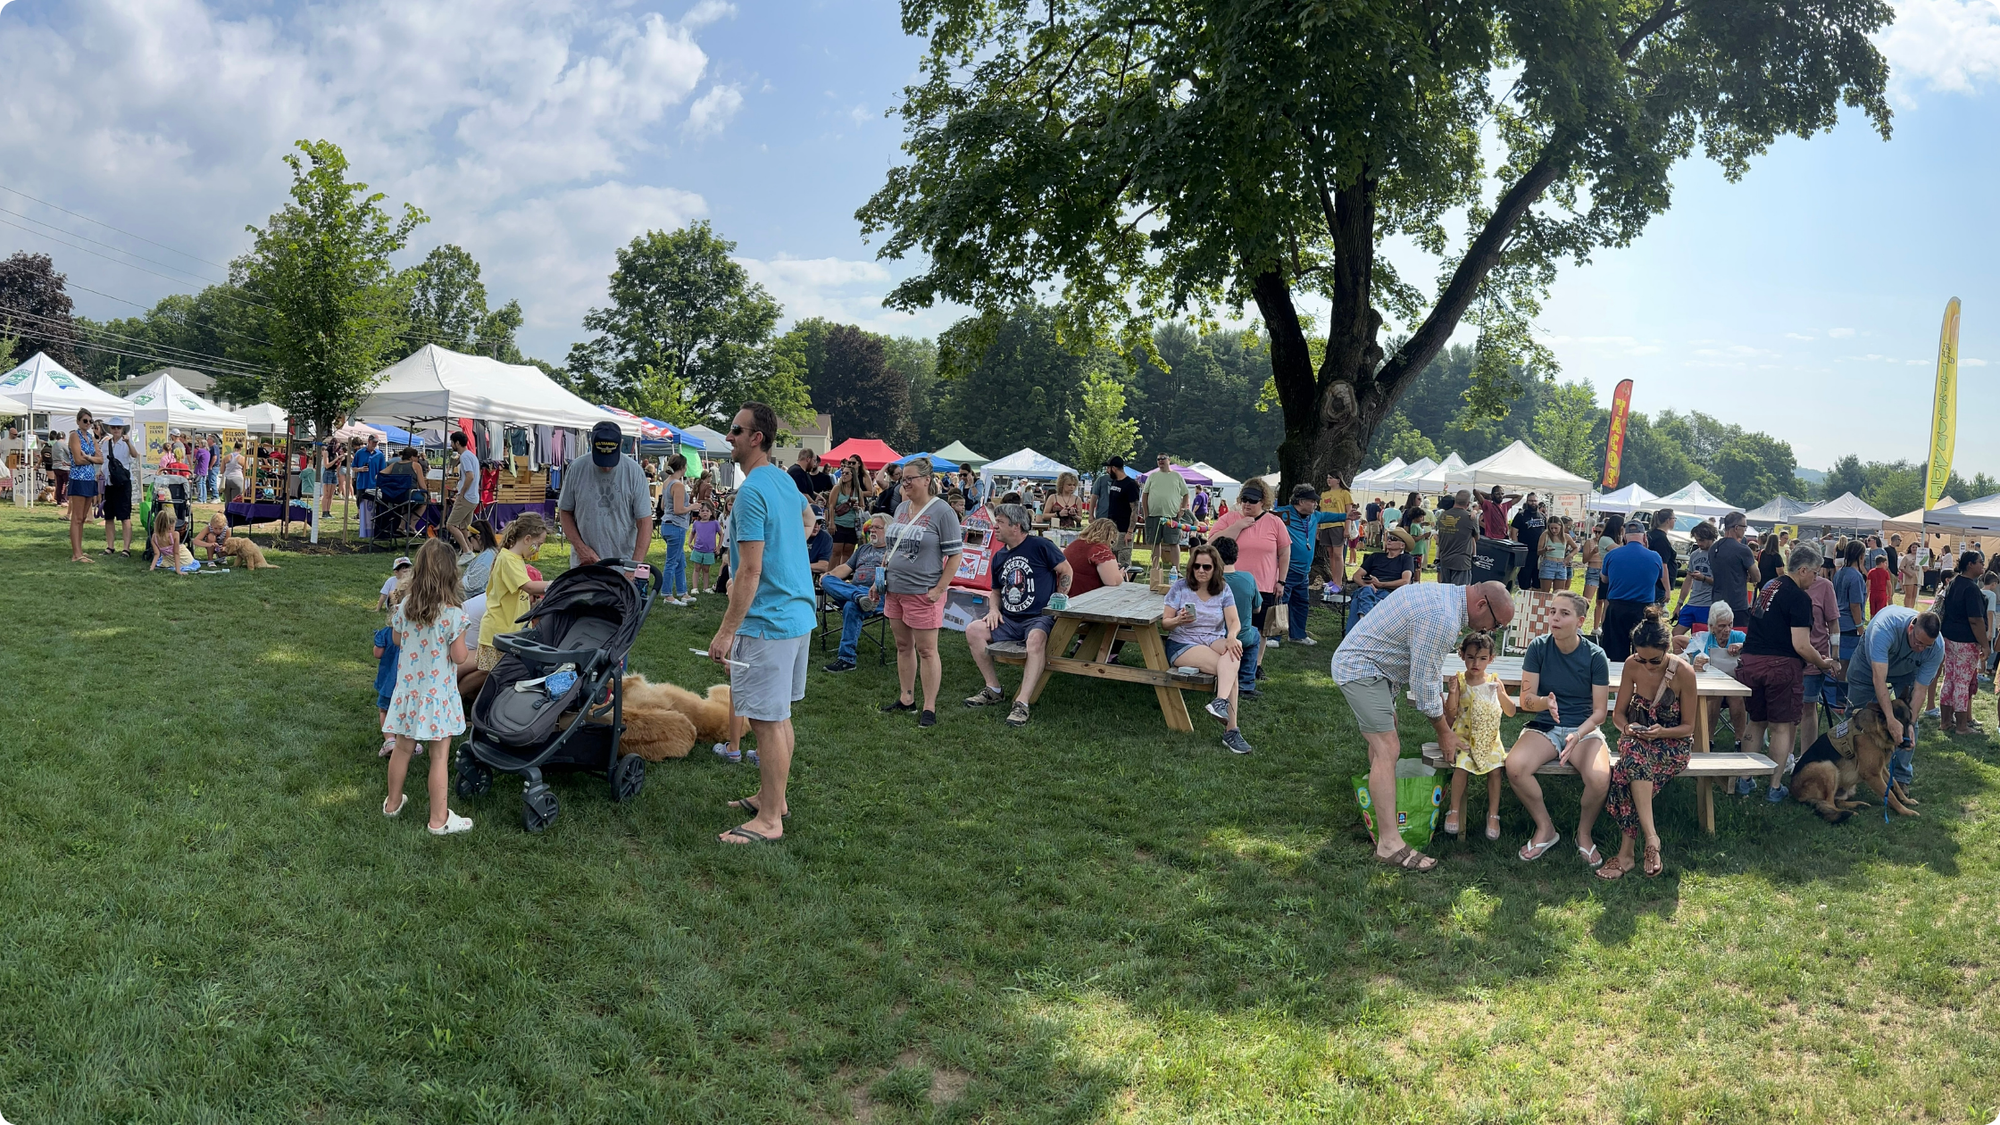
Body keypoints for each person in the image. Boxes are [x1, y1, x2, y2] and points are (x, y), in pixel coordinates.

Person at [1331, 580, 1516, 871]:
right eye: (1494, 624)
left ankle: (1383, 823)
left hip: (1377, 671)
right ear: (1482, 605)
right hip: (1361, 668)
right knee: (1387, 748)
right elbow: (1423, 682)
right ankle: (1389, 844)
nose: (1489, 632)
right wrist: (1444, 732)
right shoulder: (1442, 617)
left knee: (1382, 746)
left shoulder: (1444, 595)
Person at [708, 402, 817, 845]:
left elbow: (750, 573)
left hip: (768, 620)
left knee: (767, 721)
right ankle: (774, 799)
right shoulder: (784, 482)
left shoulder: (753, 490)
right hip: (797, 615)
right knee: (779, 716)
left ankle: (770, 820)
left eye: (736, 430)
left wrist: (725, 630)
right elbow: (807, 522)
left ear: (757, 438)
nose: (729, 436)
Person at [1502, 591, 1613, 866]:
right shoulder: (1538, 647)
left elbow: (1600, 712)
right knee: (1515, 766)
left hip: (1583, 729)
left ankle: (1583, 834)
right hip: (1544, 726)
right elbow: (1526, 701)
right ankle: (1546, 828)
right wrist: (1544, 702)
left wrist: (1579, 734)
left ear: (1580, 621)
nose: (1555, 618)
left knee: (1600, 778)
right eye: (1553, 612)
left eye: (1564, 613)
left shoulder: (1595, 656)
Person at [1593, 607, 1698, 879]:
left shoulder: (1684, 673)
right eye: (1642, 658)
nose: (1648, 665)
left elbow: (1688, 727)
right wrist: (1628, 727)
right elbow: (1617, 715)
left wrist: (1661, 732)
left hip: (1672, 745)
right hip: (1638, 740)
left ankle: (1626, 854)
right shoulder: (1632, 665)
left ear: (1668, 649)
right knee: (1632, 754)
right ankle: (1651, 842)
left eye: (1655, 660)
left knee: (1622, 776)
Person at [381, 538, 474, 836]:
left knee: (402, 749)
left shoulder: (407, 606)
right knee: (438, 757)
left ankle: (392, 804)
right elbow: (459, 656)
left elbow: (396, 640)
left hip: (408, 694)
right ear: (451, 575)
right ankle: (438, 819)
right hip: (438, 698)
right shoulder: (454, 615)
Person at [1737, 544, 1840, 799]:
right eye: (1815, 573)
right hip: (1780, 666)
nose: (1816, 578)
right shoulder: (1799, 597)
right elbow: (1802, 645)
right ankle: (1774, 787)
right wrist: (1823, 662)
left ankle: (1744, 780)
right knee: (1781, 728)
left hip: (1751, 661)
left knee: (1756, 721)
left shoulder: (1769, 586)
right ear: (1802, 569)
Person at [965, 504, 1074, 727]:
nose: (995, 526)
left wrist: (1058, 600)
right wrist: (994, 610)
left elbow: (1066, 570)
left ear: (1016, 526)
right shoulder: (999, 556)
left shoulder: (1040, 545)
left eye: (1000, 522)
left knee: (1035, 639)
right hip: (1008, 618)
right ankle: (994, 689)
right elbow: (995, 591)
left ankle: (1022, 702)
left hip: (1038, 616)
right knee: (973, 630)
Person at [881, 456, 964, 727]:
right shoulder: (902, 508)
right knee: (903, 646)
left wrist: (939, 589)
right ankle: (907, 698)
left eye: (910, 479)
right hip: (895, 589)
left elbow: (955, 556)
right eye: (902, 479)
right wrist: (879, 580)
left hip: (923, 591)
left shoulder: (942, 512)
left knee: (927, 650)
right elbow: (891, 548)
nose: (904, 483)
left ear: (927, 480)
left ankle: (930, 707)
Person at [1153, 542, 1252, 753]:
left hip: (1213, 638)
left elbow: (1234, 622)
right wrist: (1179, 620)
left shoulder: (1223, 589)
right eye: (1196, 566)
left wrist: (1232, 636)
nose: (1201, 571)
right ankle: (1231, 730)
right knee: (1230, 671)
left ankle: (1220, 703)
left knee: (1235, 649)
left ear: (1215, 568)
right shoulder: (1180, 587)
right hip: (1183, 641)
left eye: (1206, 567)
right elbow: (1165, 623)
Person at [1848, 605, 1941, 795]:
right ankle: (1850, 771)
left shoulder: (1937, 648)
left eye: (1926, 646)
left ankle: (1900, 778)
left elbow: (1920, 691)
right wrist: (1890, 719)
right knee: (1854, 718)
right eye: (1918, 642)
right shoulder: (1885, 629)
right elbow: (1878, 680)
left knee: (1908, 724)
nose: (1920, 649)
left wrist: (1909, 724)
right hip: (1869, 667)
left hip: (1906, 672)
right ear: (1911, 628)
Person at [1443, 630, 1516, 841]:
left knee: (1496, 771)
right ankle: (1454, 810)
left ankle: (1493, 815)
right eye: (1471, 657)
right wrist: (1453, 692)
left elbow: (1510, 712)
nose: (1476, 663)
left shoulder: (1494, 681)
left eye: (1482, 658)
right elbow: (1451, 712)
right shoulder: (1460, 680)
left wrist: (1501, 693)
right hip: (1464, 737)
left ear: (1490, 659)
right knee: (1461, 768)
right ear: (1462, 655)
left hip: (1489, 739)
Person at [559, 420, 653, 569]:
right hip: (585, 564)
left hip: (622, 563)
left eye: (611, 460)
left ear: (621, 444)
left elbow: (645, 523)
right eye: (602, 461)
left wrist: (633, 566)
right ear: (591, 442)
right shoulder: (577, 468)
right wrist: (581, 549)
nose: (607, 467)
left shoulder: (634, 472)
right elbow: (565, 512)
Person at [1211, 482, 1288, 648]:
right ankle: (1228, 657)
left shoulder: (1274, 522)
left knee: (1260, 628)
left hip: (1264, 585)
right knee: (1228, 625)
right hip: (1229, 584)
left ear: (1263, 501)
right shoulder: (1229, 519)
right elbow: (1211, 544)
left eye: (1252, 500)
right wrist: (1237, 527)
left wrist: (1281, 581)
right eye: (1244, 499)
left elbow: (1284, 553)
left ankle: (1256, 663)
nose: (1247, 503)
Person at [820, 515, 890, 674]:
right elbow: (846, 568)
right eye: (872, 527)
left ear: (888, 530)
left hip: (877, 595)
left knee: (852, 606)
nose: (872, 530)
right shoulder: (863, 549)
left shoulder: (892, 552)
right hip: (856, 591)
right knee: (827, 580)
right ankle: (858, 596)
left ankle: (847, 659)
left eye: (877, 528)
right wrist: (829, 574)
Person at [1279, 484, 1344, 647]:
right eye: (1312, 501)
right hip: (1287, 569)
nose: (1316, 504)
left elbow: (1330, 516)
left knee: (1301, 603)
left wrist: (1348, 516)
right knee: (1280, 603)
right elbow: (1262, 517)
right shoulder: (1283, 513)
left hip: (1304, 571)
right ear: (1300, 501)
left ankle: (1297, 635)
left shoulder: (1314, 516)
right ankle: (1273, 636)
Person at [1936, 550, 1988, 736]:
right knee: (1962, 682)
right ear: (1970, 565)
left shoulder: (1953, 582)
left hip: (1949, 638)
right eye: (1980, 562)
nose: (1983, 564)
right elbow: (1976, 620)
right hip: (1965, 641)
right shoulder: (1971, 588)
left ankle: (1945, 722)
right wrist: (1985, 644)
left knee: (1949, 678)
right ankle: (1961, 726)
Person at [1598, 522, 1667, 662]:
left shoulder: (1612, 555)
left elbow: (1604, 579)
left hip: (1617, 608)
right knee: (1643, 652)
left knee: (1615, 651)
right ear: (1644, 537)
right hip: (1644, 609)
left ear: (1624, 536)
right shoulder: (1655, 557)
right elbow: (1659, 577)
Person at [1214, 536, 1264, 701]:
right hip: (1241, 635)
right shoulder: (1248, 578)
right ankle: (1246, 682)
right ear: (1236, 555)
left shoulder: (1211, 581)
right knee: (1254, 635)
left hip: (1215, 636)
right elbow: (1257, 608)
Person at [1347, 528, 1417, 625]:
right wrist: (1366, 585)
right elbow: (1356, 576)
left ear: (1402, 545)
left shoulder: (1406, 559)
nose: (1389, 540)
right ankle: (1366, 625)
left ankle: (1358, 630)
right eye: (1388, 537)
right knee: (1366, 592)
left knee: (1356, 602)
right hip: (1367, 590)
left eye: (1393, 539)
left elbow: (1405, 581)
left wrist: (1380, 584)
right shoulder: (1375, 556)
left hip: (1390, 593)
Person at [372, 570, 405, 757]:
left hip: (387, 682)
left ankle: (389, 740)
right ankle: (406, 740)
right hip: (406, 682)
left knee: (384, 709)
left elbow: (378, 654)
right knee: (402, 711)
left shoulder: (385, 633)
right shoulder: (413, 634)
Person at [1140, 453, 1190, 570]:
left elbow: (1186, 493)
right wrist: (1146, 513)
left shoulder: (1177, 476)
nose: (1160, 461)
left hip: (1172, 516)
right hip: (1153, 515)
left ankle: (1176, 569)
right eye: (1158, 459)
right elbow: (1145, 495)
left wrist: (1182, 509)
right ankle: (1155, 568)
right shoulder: (1152, 476)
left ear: (1168, 460)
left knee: (1174, 542)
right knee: (1155, 543)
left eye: (1163, 459)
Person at [657, 454, 692, 606]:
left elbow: (663, 506)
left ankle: (683, 592)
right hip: (676, 526)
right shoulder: (678, 485)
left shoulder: (666, 482)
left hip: (666, 524)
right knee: (672, 562)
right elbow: (678, 510)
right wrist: (693, 506)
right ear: (683, 467)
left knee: (680, 561)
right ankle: (667, 594)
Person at [826, 454, 872, 570]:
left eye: (847, 473)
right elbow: (831, 505)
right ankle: (829, 574)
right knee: (836, 551)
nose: (844, 475)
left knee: (848, 551)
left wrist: (858, 507)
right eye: (843, 473)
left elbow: (862, 506)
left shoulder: (858, 490)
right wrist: (831, 522)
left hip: (853, 524)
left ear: (853, 475)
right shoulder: (837, 488)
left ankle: (841, 575)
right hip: (839, 523)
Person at [1674, 522, 1718, 634]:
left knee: (1702, 637)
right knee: (1676, 634)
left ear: (1711, 538)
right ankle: (1685, 652)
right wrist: (1679, 604)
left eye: (1701, 540)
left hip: (1708, 604)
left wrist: (1704, 578)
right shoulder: (1695, 554)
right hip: (1692, 602)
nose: (1699, 543)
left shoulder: (1718, 555)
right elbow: (1688, 580)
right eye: (1697, 540)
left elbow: (1722, 582)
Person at [101, 423, 138, 557]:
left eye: (118, 427)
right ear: (110, 429)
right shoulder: (106, 443)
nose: (116, 430)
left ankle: (126, 548)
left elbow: (135, 455)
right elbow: (104, 461)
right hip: (109, 482)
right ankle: (110, 546)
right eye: (113, 427)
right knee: (109, 516)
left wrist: (128, 443)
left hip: (123, 483)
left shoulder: (127, 441)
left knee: (124, 516)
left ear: (122, 429)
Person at [1095, 457, 1141, 565]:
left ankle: (1126, 581)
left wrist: (1129, 532)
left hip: (1124, 530)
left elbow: (1134, 510)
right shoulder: (1115, 482)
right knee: (1111, 562)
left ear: (1114, 468)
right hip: (1112, 529)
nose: (1107, 471)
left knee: (1124, 562)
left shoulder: (1130, 485)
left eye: (1108, 468)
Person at [1311, 474, 1353, 585]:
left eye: (1331, 478)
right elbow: (1319, 513)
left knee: (1338, 554)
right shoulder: (1324, 494)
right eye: (1327, 477)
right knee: (1330, 554)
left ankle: (1339, 582)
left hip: (1338, 526)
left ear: (1338, 480)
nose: (1328, 480)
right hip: (1325, 526)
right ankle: (1334, 580)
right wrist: (1317, 528)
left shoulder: (1344, 493)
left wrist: (1347, 528)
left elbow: (1349, 512)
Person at [444, 431, 480, 552]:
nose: (451, 444)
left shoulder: (464, 456)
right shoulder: (471, 456)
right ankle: (469, 550)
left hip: (467, 497)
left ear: (457, 443)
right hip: (473, 498)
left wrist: (462, 493)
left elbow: (470, 476)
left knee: (451, 525)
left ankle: (466, 551)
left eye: (452, 442)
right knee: (464, 527)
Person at [1433, 491, 1478, 585]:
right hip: (1461, 562)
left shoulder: (1442, 516)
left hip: (1445, 560)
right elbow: (1476, 537)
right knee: (1460, 594)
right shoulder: (1470, 518)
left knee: (1446, 592)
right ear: (1468, 503)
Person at [147, 508, 199, 574]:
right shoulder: (175, 535)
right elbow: (176, 553)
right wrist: (178, 571)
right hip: (184, 558)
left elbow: (156, 554)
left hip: (169, 560)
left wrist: (152, 568)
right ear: (170, 526)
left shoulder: (154, 537)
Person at [1646, 507, 1678, 605]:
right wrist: (1667, 589)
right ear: (1668, 520)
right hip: (1658, 585)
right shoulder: (1661, 540)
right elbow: (1663, 566)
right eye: (1674, 519)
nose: (1674, 521)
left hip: (1650, 580)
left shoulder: (1651, 534)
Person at [689, 503, 722, 596]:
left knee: (706, 569)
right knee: (697, 568)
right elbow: (692, 533)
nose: (705, 513)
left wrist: (718, 547)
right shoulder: (696, 523)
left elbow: (721, 534)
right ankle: (694, 588)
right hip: (698, 550)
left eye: (707, 511)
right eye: (702, 511)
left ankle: (706, 588)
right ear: (699, 513)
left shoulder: (715, 523)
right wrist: (689, 542)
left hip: (709, 551)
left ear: (711, 513)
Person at [1537, 513, 1571, 592]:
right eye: (1551, 528)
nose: (1553, 530)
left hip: (1561, 564)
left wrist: (1569, 557)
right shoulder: (1545, 535)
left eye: (1556, 528)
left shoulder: (1565, 536)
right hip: (1548, 563)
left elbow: (1576, 547)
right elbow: (1538, 551)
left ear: (1561, 526)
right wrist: (1545, 549)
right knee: (1545, 593)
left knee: (1558, 593)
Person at [806, 512, 834, 578]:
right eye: (813, 522)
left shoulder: (825, 537)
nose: (816, 526)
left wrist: (801, 567)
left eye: (819, 522)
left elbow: (824, 566)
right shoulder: (794, 534)